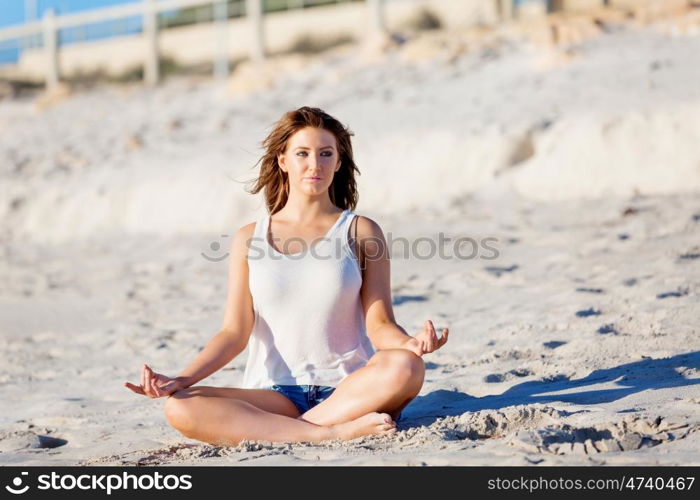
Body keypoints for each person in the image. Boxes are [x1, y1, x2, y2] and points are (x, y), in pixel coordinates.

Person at [125, 106, 449, 446]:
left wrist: (408, 344)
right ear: (283, 160)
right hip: (274, 394)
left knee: (407, 366)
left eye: (326, 154)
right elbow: (235, 332)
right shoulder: (249, 238)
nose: (315, 164)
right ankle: (331, 433)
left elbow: (379, 323)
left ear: (339, 162)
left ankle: (293, 432)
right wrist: (181, 378)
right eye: (303, 153)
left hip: (351, 390)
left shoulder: (361, 231)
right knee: (180, 407)